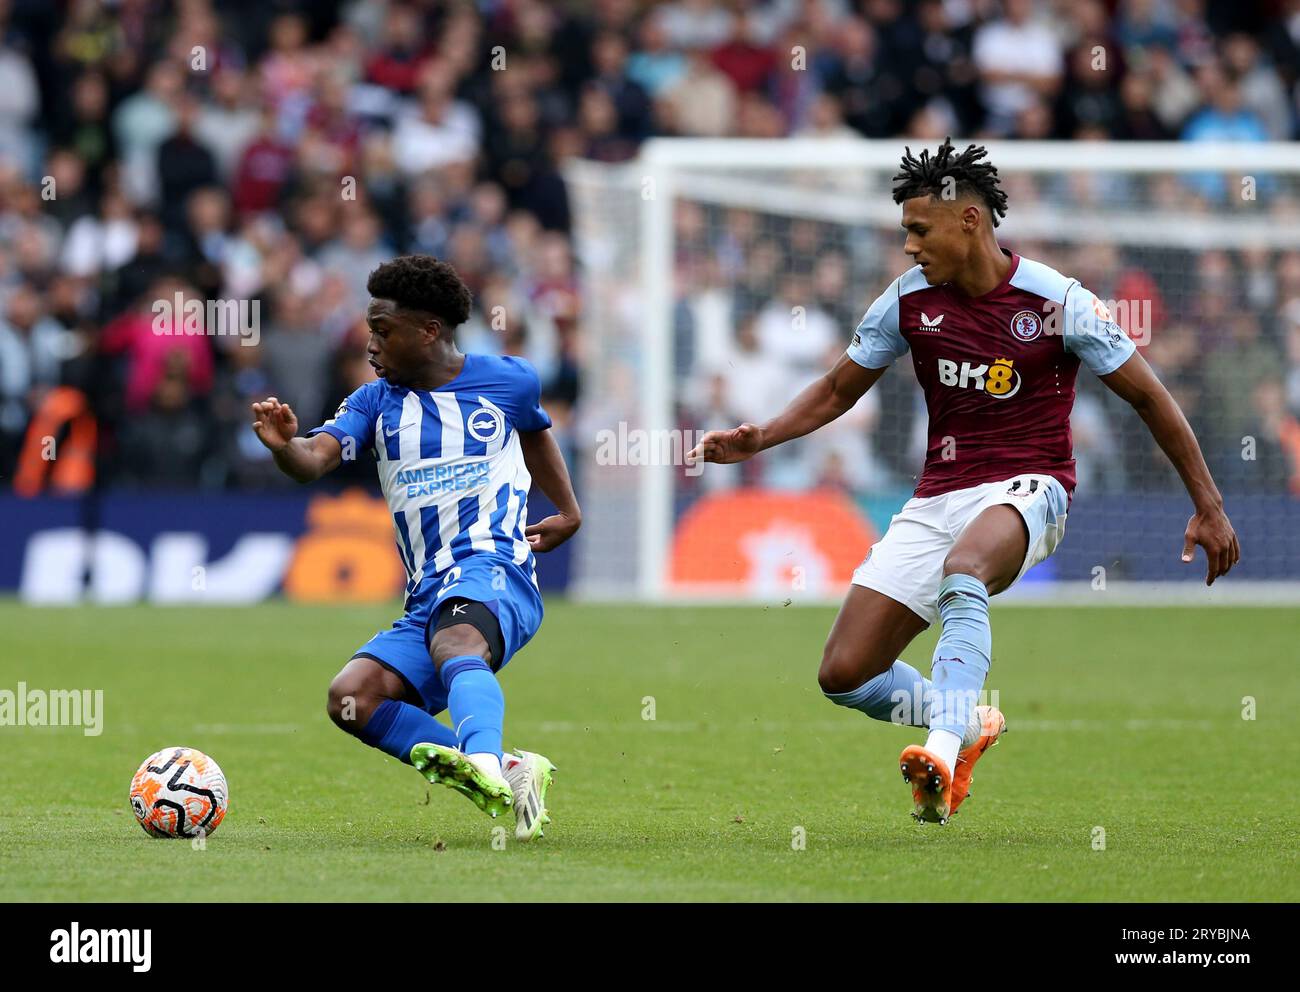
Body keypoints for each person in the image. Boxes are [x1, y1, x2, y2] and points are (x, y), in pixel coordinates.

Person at [688, 139, 1239, 824]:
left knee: (966, 567)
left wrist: (1208, 506)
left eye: (919, 230)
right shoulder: (907, 301)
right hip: (938, 496)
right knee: (843, 673)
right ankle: (969, 721)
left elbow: (1151, 398)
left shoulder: (1058, 302)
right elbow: (836, 389)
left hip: (1033, 488)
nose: (910, 246)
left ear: (970, 222)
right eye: (905, 233)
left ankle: (943, 752)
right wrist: (760, 437)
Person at [251, 255, 582, 841]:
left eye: (382, 330)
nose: (370, 343)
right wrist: (284, 446)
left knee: (458, 641)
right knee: (352, 698)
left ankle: (483, 768)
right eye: (368, 329)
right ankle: (508, 767)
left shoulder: (509, 381)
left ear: (429, 330)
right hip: (427, 592)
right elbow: (313, 460)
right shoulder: (373, 402)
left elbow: (535, 433)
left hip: (495, 567)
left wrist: (568, 510)